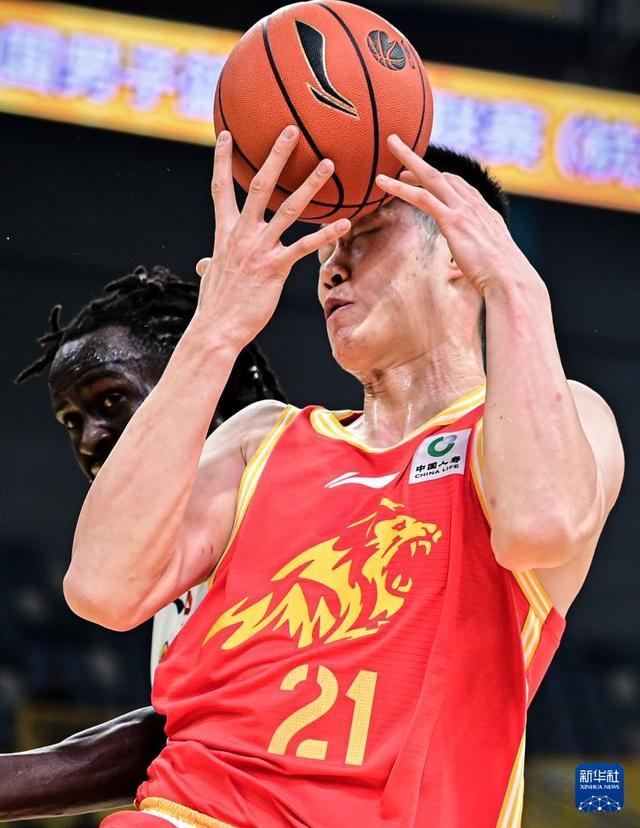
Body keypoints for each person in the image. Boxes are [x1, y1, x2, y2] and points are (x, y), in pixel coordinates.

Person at [65, 129, 624, 828]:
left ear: (460, 250)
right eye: (327, 247)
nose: (331, 267)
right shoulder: (262, 439)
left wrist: (514, 284)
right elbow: (102, 587)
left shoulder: (557, 420)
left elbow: (541, 527)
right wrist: (215, 331)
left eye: (365, 236)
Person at [1, 266, 285, 820]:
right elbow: (184, 731)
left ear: (208, 381)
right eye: (71, 421)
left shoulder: (288, 489)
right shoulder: (176, 546)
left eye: (111, 401)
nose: (89, 439)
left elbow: (228, 728)